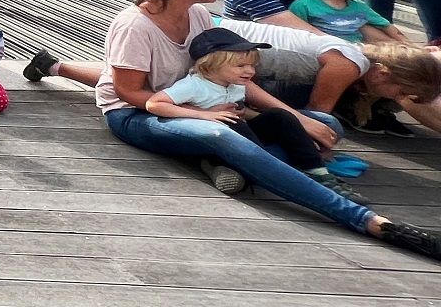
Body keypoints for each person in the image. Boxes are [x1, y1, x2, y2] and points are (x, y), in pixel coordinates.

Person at [95, 0, 439, 260]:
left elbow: (230, 74)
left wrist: (297, 116)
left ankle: (227, 163)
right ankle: (362, 218)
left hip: (203, 104)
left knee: (326, 124)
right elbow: (129, 93)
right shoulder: (135, 26)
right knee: (220, 136)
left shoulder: (198, 15)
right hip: (140, 113)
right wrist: (200, 115)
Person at [143, 26, 354, 196]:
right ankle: (271, 170)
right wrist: (205, 115)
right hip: (209, 137)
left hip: (239, 134)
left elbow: (243, 113)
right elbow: (155, 103)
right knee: (232, 123)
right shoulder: (194, 85)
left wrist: (291, 130)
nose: (250, 71)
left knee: (279, 116)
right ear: (211, 66)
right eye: (241, 66)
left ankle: (316, 170)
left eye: (252, 65)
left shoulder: (235, 84)